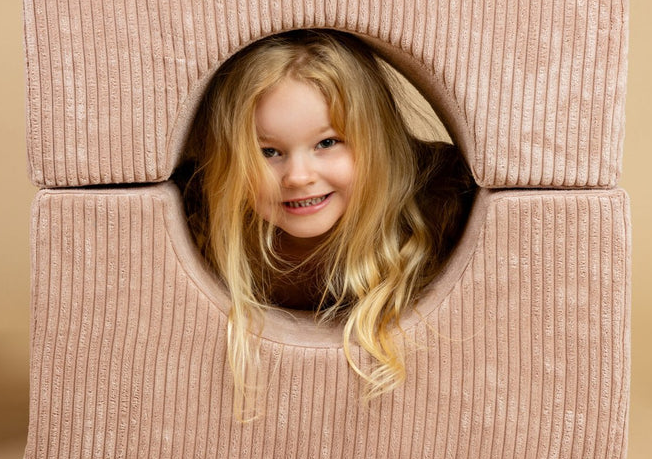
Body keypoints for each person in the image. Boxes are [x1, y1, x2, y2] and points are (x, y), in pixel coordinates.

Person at [178, 29, 475, 410]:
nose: (298, 176)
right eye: (267, 152)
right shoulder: (198, 223)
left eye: (327, 143)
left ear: (377, 143)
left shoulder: (440, 211)